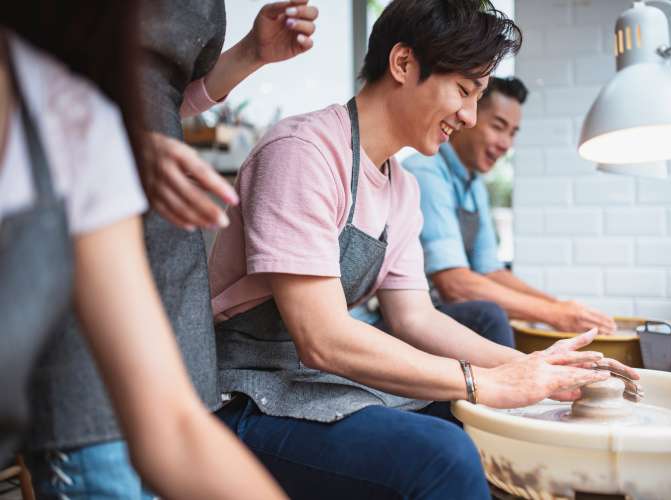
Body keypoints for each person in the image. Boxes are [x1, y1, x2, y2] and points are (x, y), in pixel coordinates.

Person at [208, 1, 637, 498]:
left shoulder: (401, 188)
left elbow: (417, 319)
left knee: (478, 423)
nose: (469, 115)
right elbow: (322, 337)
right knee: (445, 454)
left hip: (308, 385)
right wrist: (481, 381)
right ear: (404, 64)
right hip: (240, 396)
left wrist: (531, 370)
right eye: (463, 90)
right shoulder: (303, 153)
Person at [16, 1, 316, 497]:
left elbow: (174, 437)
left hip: (146, 222)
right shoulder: (69, 139)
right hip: (79, 191)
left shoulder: (93, 149)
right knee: (93, 430)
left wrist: (249, 54)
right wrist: (114, 142)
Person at [403, 76, 618, 335]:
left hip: (443, 312)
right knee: (490, 315)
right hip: (410, 313)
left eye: (513, 133)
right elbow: (454, 284)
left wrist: (562, 306)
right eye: (498, 126)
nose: (506, 144)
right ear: (467, 119)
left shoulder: (474, 185)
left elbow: (490, 271)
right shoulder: (426, 172)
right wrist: (552, 314)